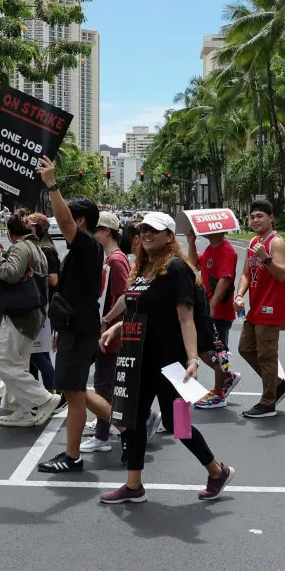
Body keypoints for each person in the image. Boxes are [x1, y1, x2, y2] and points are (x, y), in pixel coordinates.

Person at [97, 212, 235, 503]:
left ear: (170, 236)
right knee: (133, 419)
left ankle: (216, 471)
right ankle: (134, 485)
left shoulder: (175, 268)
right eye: (143, 229)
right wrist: (118, 325)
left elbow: (185, 317)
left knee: (177, 424)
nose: (147, 235)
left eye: (154, 231)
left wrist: (193, 360)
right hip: (139, 358)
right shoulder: (144, 267)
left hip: (169, 363)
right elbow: (142, 310)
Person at [35, 156, 116, 474]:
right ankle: (130, 425)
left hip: (80, 330)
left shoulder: (85, 244)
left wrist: (52, 185)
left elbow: (65, 222)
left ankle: (72, 456)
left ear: (81, 221)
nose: (61, 220)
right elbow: (72, 294)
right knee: (76, 388)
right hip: (74, 327)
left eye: (69, 215)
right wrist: (59, 326)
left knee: (73, 391)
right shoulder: (84, 250)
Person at [0, 209, 62, 427]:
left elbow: (11, 274)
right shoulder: (34, 246)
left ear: (11, 233)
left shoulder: (21, 246)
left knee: (3, 363)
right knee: (19, 364)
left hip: (17, 315)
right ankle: (21, 410)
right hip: (29, 314)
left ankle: (44, 399)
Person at [233, 199, 285, 419]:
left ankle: (268, 402)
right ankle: (277, 384)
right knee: (245, 348)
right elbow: (246, 274)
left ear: (271, 218)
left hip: (271, 308)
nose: (256, 220)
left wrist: (265, 258)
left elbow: (282, 274)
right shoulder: (253, 242)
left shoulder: (275, 242)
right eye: (252, 216)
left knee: (267, 356)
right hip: (255, 308)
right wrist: (239, 295)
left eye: (260, 216)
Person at [81, 212, 133, 453]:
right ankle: (108, 425)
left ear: (107, 232)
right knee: (107, 382)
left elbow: (126, 295)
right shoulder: (111, 258)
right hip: (110, 331)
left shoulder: (115, 260)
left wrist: (107, 319)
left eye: (97, 229)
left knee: (103, 384)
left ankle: (102, 437)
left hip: (111, 333)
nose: (94, 233)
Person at [186, 228, 242, 410]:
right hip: (208, 309)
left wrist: (212, 306)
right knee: (203, 350)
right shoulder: (210, 249)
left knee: (219, 352)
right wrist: (191, 242)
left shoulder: (227, 250)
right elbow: (194, 264)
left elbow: (224, 281)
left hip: (219, 311)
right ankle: (227, 375)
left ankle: (219, 394)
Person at [27, 212, 61, 391]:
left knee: (36, 353)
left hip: (44, 306)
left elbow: (53, 279)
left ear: (39, 229)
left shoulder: (46, 249)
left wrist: (29, 274)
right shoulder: (36, 246)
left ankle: (52, 389)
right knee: (36, 353)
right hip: (37, 304)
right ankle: (40, 392)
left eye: (31, 226)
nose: (28, 229)